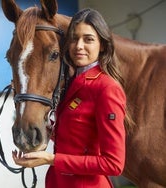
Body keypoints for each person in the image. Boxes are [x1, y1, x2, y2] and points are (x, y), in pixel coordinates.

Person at [12, 8, 128, 187]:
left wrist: (51, 159)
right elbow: (73, 138)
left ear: (102, 45)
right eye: (74, 38)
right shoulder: (69, 83)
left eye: (88, 39)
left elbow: (113, 164)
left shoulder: (107, 89)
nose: (79, 46)